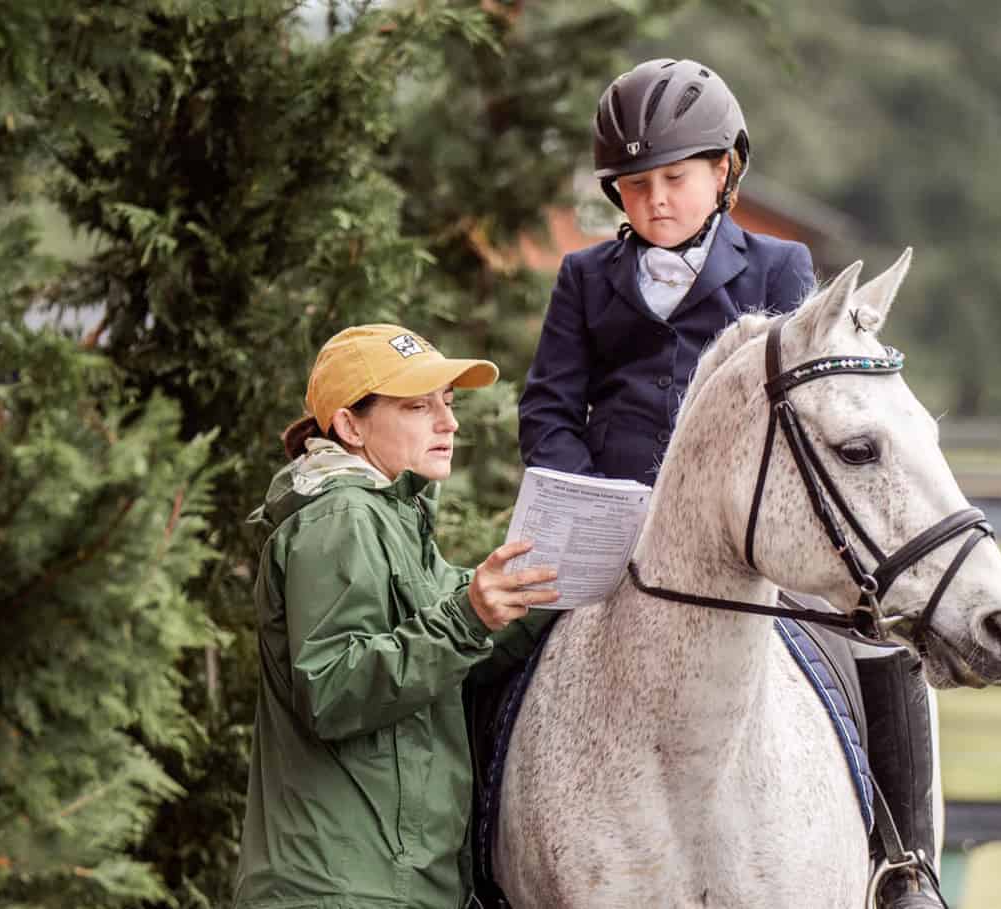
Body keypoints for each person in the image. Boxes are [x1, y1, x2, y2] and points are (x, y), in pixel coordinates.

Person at [518, 58, 947, 908]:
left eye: (674, 178)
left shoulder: (781, 268)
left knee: (876, 643)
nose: (655, 202)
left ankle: (905, 865)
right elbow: (550, 410)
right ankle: (471, 855)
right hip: (615, 531)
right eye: (634, 186)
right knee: (504, 648)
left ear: (724, 172)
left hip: (751, 534)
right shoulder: (584, 279)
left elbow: (807, 406)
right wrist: (588, 498)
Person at [234, 324, 557, 909]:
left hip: (388, 886)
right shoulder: (340, 519)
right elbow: (331, 689)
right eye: (417, 407)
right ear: (350, 426)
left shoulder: (395, 522)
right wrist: (468, 619)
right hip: (339, 889)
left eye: (449, 404)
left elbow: (467, 641)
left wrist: (552, 588)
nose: (448, 423)